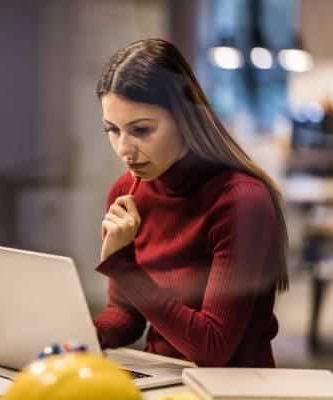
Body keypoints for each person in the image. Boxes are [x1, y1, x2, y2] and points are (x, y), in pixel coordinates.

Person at [93, 39, 288, 367]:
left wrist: (124, 267)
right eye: (112, 130)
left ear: (184, 118)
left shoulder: (241, 201)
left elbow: (212, 348)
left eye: (141, 130)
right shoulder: (125, 191)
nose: (124, 149)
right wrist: (78, 338)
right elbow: (126, 314)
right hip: (163, 383)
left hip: (233, 391)